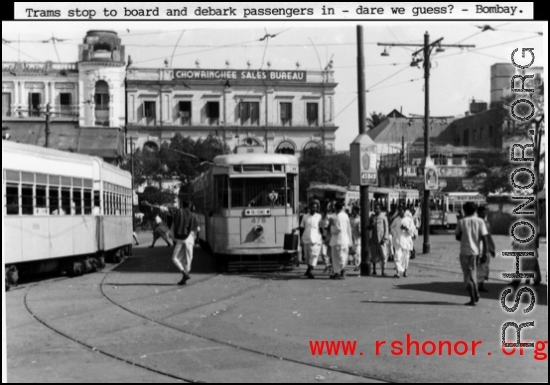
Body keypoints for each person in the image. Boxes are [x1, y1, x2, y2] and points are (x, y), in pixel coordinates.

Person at [145, 200, 199, 285]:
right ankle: (186, 273)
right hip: (189, 238)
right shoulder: (193, 215)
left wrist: (149, 204)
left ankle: (184, 273)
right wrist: (197, 240)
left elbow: (163, 208)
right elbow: (197, 229)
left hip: (180, 238)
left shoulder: (177, 212)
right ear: (190, 206)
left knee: (175, 258)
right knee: (189, 258)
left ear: (182, 204)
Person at [455, 201, 489, 306]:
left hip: (465, 252)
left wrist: (465, 236)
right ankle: (476, 292)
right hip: (476, 252)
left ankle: (473, 297)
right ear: (475, 210)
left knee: (467, 276)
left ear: (465, 210)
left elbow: (457, 237)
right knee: (473, 273)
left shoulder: (462, 221)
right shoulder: (480, 221)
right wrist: (485, 253)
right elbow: (484, 238)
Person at [298, 200, 323, 279]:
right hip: (306, 238)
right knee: (307, 257)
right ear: (310, 208)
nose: (314, 209)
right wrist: (300, 238)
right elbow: (302, 227)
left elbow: (321, 227)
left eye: (316, 208)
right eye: (313, 207)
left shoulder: (319, 216)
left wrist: (324, 237)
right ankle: (309, 269)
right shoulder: (305, 216)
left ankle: (311, 271)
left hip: (316, 239)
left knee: (314, 255)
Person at [390, 204, 416, 278]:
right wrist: (395, 233)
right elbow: (391, 227)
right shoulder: (396, 219)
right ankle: (398, 272)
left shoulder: (409, 220)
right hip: (398, 240)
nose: (400, 212)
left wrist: (406, 228)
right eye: (399, 211)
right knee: (397, 256)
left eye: (401, 211)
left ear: (404, 211)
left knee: (406, 257)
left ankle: (405, 271)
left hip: (406, 241)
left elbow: (413, 230)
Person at [329, 201, 353, 280]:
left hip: (337, 240)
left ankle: (338, 272)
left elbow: (337, 229)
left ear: (336, 208)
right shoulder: (346, 216)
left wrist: (331, 225)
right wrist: (350, 240)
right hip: (345, 240)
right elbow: (348, 228)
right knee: (343, 256)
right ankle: (341, 271)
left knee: (336, 257)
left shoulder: (336, 217)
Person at [476, 205, 495, 292]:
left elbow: (489, 236)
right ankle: (475, 285)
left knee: (485, 267)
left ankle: (481, 285)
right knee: (478, 267)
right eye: (482, 212)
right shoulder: (476, 222)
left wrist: (492, 248)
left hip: (486, 247)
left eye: (485, 212)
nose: (484, 214)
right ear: (478, 213)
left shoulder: (486, 223)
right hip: (477, 247)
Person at [369, 203, 389, 276]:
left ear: (380, 209)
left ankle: (383, 271)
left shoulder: (384, 217)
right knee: (373, 254)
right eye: (375, 209)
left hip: (381, 239)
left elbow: (386, 228)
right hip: (374, 239)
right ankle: (374, 270)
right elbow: (369, 228)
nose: (376, 210)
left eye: (378, 209)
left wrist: (385, 238)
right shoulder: (372, 217)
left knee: (383, 255)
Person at [350, 206, 362, 272]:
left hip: (358, 239)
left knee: (357, 253)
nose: (352, 211)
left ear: (356, 211)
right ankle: (357, 264)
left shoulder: (359, 219)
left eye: (353, 210)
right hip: (351, 238)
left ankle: (357, 265)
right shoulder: (350, 219)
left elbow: (360, 230)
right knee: (353, 253)